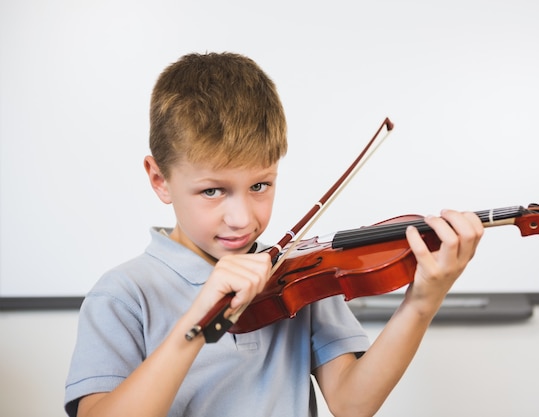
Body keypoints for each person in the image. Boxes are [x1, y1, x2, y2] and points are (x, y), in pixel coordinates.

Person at [64, 52, 484, 417]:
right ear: (160, 179)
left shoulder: (295, 277)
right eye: (213, 191)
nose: (242, 218)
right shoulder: (123, 294)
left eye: (260, 185)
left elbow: (352, 403)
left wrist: (422, 302)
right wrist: (196, 323)